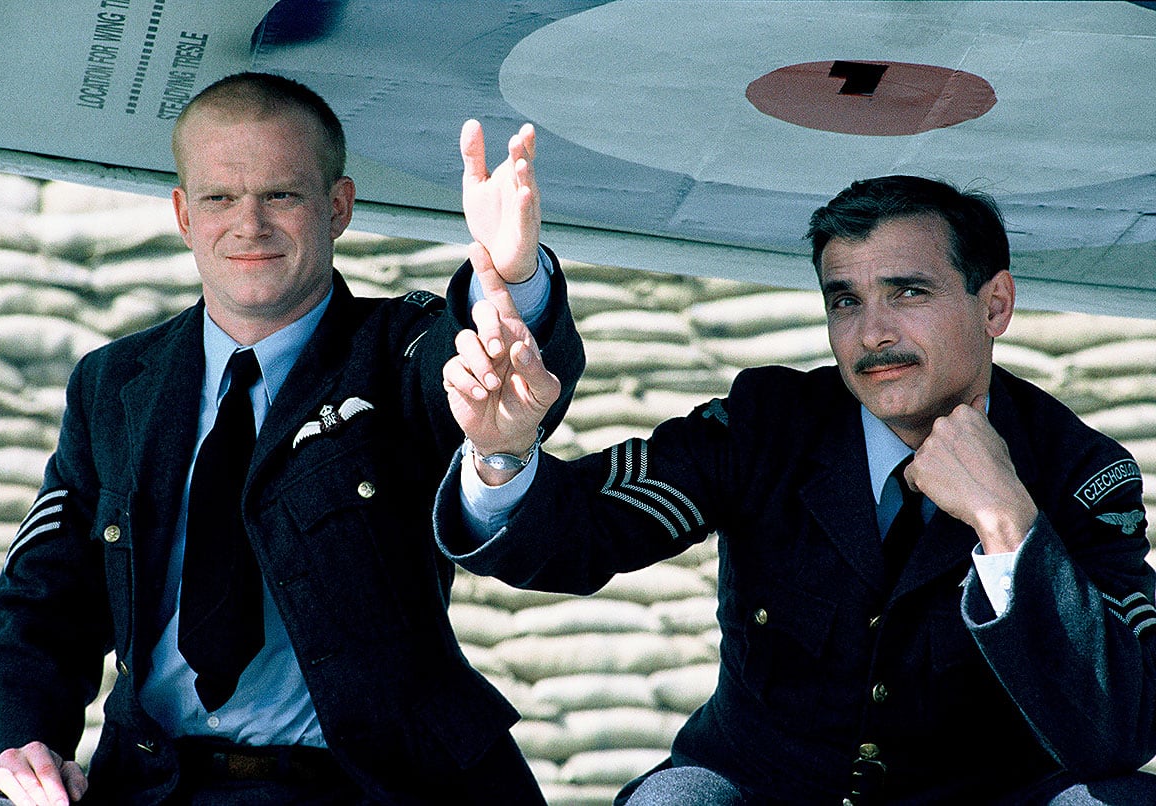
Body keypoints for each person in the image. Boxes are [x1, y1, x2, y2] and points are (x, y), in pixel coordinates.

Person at [0, 71, 584, 805]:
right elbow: (41, 605)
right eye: (220, 198)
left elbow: (478, 364)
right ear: (183, 214)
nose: (248, 224)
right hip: (154, 789)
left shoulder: (396, 350)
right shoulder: (114, 385)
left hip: (373, 790)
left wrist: (510, 279)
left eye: (281, 195)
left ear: (338, 207)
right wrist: (14, 748)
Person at [435, 175, 1156, 804]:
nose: (872, 333)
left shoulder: (1076, 472)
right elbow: (585, 530)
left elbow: (1123, 730)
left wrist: (1007, 524)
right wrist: (503, 449)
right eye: (845, 301)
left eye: (908, 292)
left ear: (994, 305)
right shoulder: (769, 426)